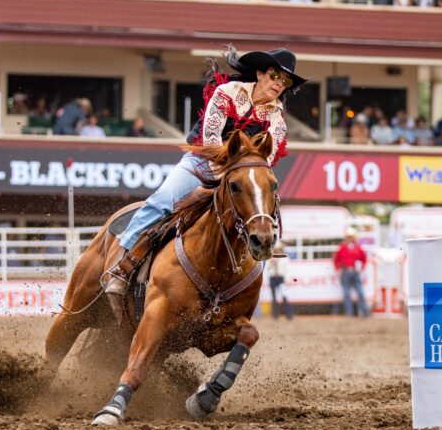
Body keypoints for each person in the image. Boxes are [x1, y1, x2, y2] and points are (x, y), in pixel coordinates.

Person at [105, 47, 305, 299]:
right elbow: (210, 138)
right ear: (260, 73)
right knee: (163, 200)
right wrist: (226, 177)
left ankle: (244, 294)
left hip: (239, 177)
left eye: (285, 81)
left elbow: (267, 157)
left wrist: (237, 177)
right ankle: (122, 266)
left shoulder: (277, 119)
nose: (279, 83)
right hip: (201, 162)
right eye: (275, 75)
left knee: (261, 223)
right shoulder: (226, 93)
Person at [334, 227, 369, 317]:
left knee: (360, 292)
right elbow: (336, 259)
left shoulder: (357, 247)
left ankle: (365, 312)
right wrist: (338, 269)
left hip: (354, 271)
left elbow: (363, 259)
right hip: (345, 271)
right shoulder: (342, 247)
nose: (349, 238)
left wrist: (361, 268)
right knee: (347, 293)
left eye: (351, 236)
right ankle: (349, 313)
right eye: (348, 236)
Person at [268, 241, 294, 320]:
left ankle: (288, 315)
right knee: (274, 297)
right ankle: (275, 315)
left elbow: (286, 270)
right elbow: (268, 269)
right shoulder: (270, 258)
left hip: (280, 278)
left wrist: (285, 279)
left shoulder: (284, 258)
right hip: (273, 278)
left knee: (284, 296)